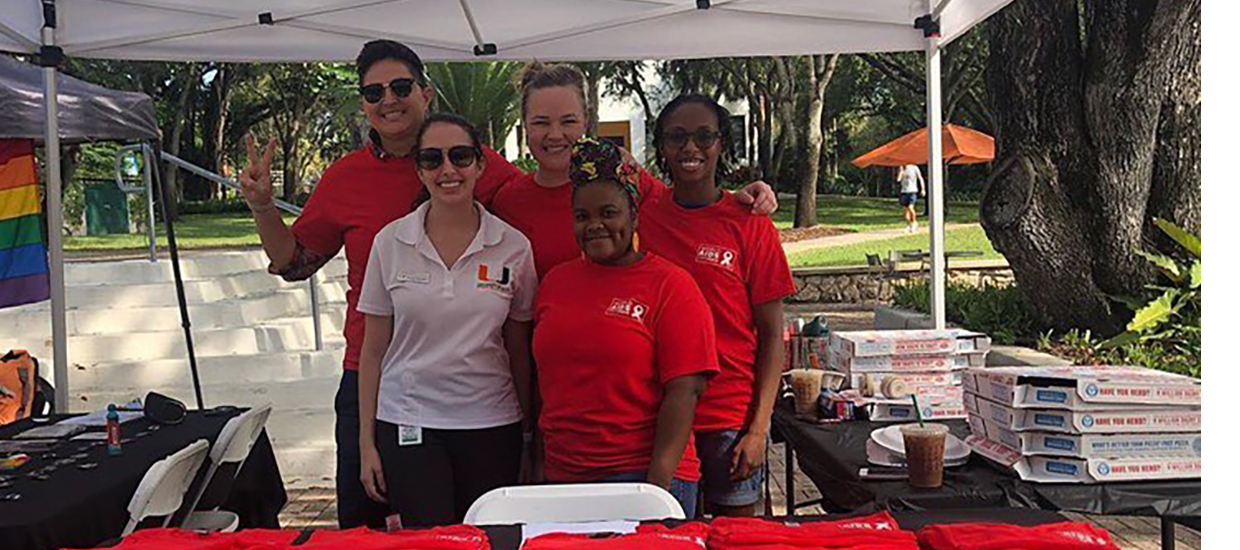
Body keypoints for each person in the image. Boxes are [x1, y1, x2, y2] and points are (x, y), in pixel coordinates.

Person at [237, 40, 523, 528]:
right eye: (373, 92)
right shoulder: (346, 177)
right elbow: (294, 262)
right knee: (366, 527)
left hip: (465, 387)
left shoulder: (477, 163)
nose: (387, 99)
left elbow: (532, 222)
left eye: (400, 86)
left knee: (471, 528)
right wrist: (263, 207)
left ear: (426, 93)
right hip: (370, 372)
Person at [356, 114, 537, 527]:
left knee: (490, 539)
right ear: (419, 170)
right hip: (410, 421)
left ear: (480, 164)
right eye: (433, 159)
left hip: (493, 423)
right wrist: (367, 442)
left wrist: (527, 437)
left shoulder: (513, 247)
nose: (448, 170)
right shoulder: (391, 242)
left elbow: (518, 350)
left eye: (460, 156)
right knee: (427, 540)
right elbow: (373, 351)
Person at [532, 137, 719, 517]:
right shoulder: (554, 282)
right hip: (563, 477)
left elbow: (685, 391)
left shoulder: (671, 285)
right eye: (582, 216)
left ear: (634, 216)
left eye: (608, 213)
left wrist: (656, 486)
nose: (595, 226)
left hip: (642, 477)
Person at [640, 95, 795, 517]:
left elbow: (771, 336)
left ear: (722, 143)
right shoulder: (643, 215)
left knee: (741, 539)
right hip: (662, 418)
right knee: (668, 540)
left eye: (704, 136)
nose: (690, 148)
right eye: (677, 137)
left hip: (730, 416)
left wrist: (759, 428)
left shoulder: (750, 222)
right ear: (661, 147)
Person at [490, 62, 778, 279]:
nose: (555, 134)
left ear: (586, 122)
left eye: (568, 121)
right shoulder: (508, 201)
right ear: (524, 125)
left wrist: (739, 199)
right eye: (541, 122)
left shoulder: (621, 173)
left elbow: (685, 209)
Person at [897, 163, 924, 232]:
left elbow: (920, 178)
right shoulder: (901, 168)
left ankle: (914, 223)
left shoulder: (914, 167)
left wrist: (923, 189)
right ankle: (909, 225)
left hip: (912, 190)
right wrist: (901, 171)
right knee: (905, 210)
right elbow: (898, 180)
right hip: (904, 191)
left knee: (910, 207)